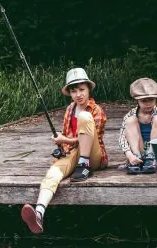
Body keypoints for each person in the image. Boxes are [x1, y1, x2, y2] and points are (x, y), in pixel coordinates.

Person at [21, 68, 108, 234]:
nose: (78, 95)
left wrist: (65, 140)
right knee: (53, 173)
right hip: (74, 152)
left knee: (84, 117)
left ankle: (84, 165)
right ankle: (39, 213)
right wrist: (61, 146)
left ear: (89, 90)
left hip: (93, 156)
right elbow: (69, 139)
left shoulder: (97, 110)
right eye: (74, 91)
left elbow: (86, 138)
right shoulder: (69, 109)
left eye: (82, 90)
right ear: (70, 93)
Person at [119, 77, 157, 174]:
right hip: (139, 149)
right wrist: (129, 155)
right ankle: (136, 158)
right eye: (144, 101)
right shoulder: (131, 114)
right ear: (137, 100)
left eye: (151, 100)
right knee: (130, 120)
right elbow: (122, 138)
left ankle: (152, 158)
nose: (148, 104)